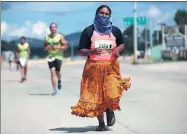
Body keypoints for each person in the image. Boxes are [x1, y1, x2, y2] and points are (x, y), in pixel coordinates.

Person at [71, 5, 131, 131]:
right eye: (101, 13)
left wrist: (118, 50)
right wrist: (91, 51)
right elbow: (81, 50)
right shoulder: (88, 31)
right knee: (97, 97)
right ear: (96, 14)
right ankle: (101, 123)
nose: (104, 15)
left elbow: (122, 44)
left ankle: (109, 109)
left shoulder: (115, 31)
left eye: (106, 14)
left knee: (112, 91)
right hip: (94, 69)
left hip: (111, 68)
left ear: (110, 16)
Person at [44, 23, 68, 96]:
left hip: (59, 57)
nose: (53, 28)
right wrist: (47, 48)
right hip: (50, 57)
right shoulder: (47, 37)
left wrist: (57, 47)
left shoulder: (60, 37)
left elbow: (65, 46)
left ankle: (59, 80)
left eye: (54, 27)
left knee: (58, 72)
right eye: (51, 27)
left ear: (56, 28)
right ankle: (54, 90)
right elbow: (44, 47)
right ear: (49, 28)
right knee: (52, 71)